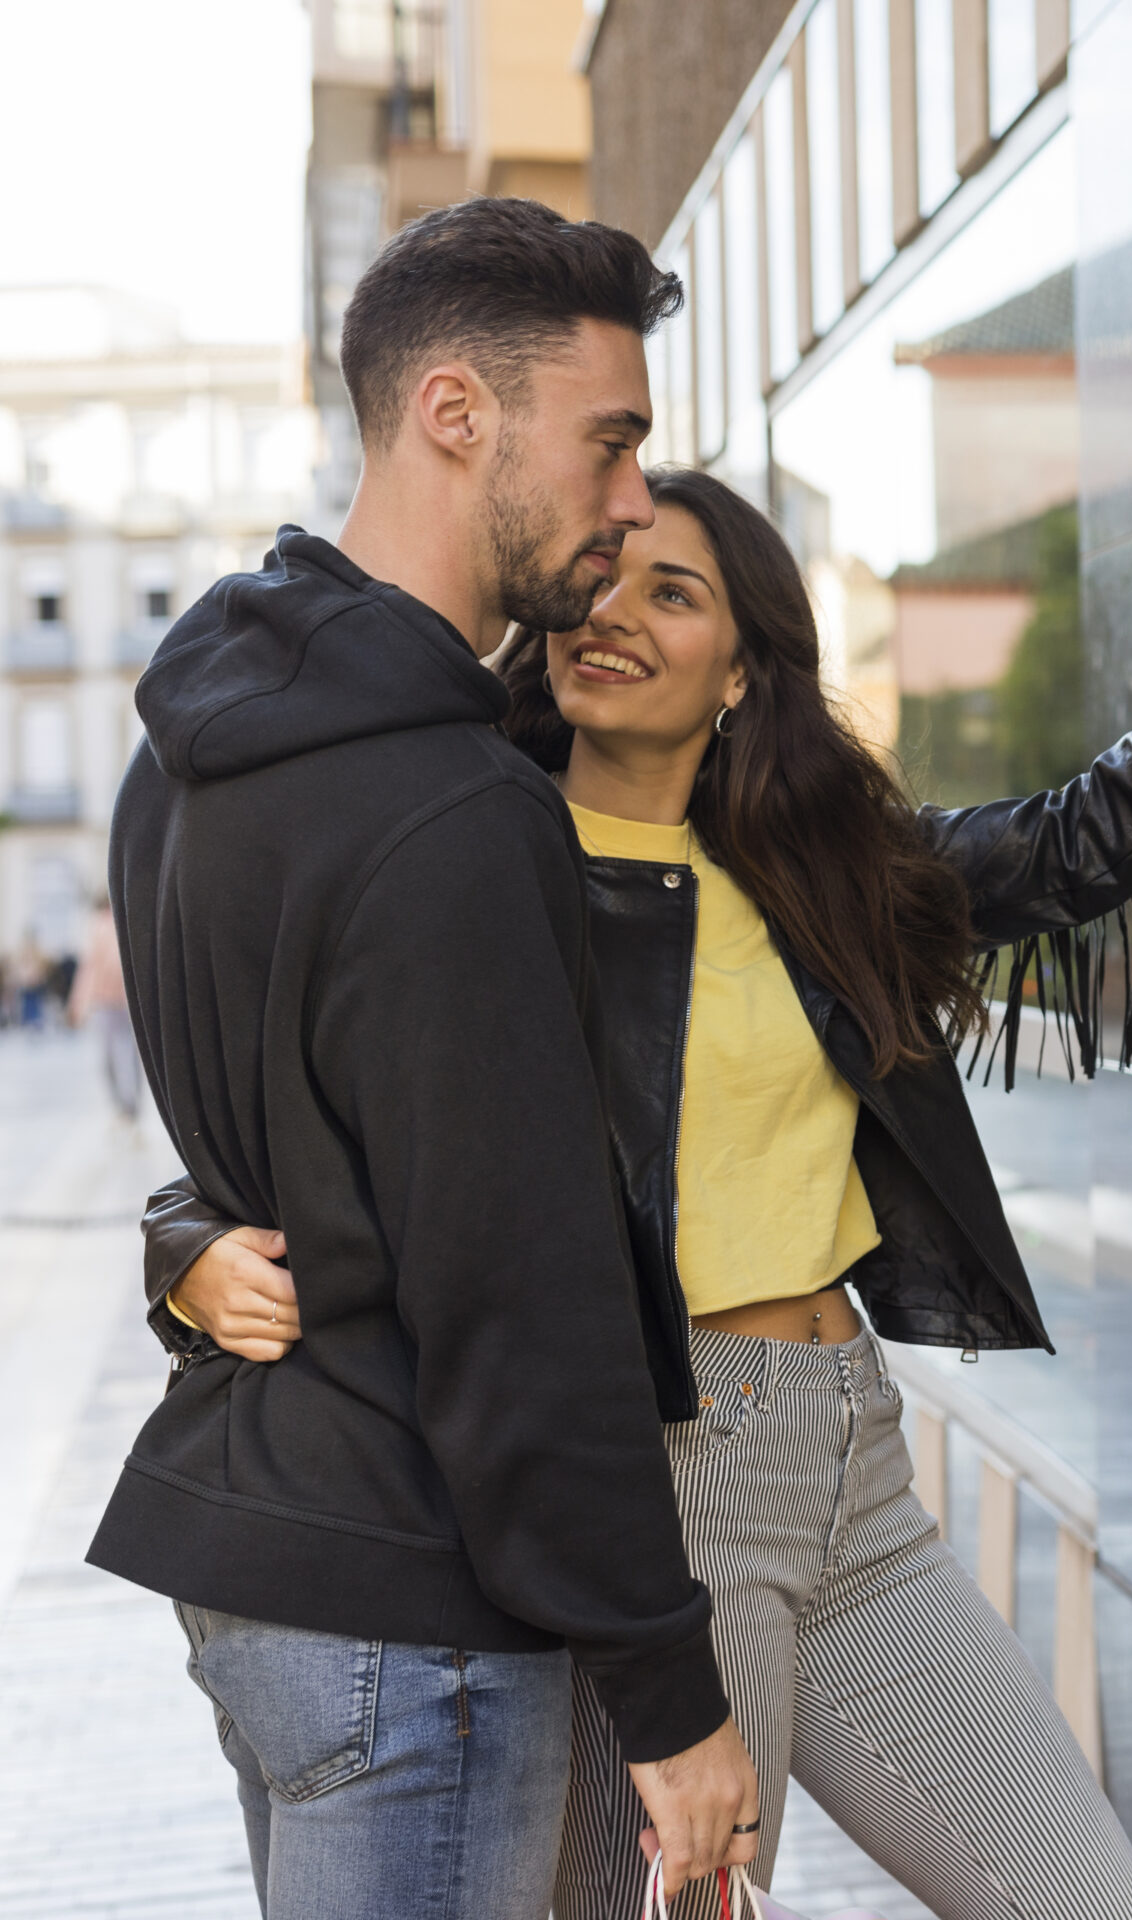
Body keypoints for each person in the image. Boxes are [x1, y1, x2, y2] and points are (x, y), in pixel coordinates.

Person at [159, 462, 1132, 1917]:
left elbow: (1080, 840)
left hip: (856, 1471)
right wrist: (188, 1238)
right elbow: (320, 1103)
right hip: (666, 1470)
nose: (616, 613)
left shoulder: (813, 869)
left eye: (677, 591)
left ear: (743, 665)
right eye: (602, 579)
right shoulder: (482, 856)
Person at [90, 199, 758, 1920]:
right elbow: (522, 1297)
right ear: (456, 413)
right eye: (610, 443)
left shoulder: (187, 754)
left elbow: (279, 1148)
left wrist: (182, 1249)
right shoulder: (458, 813)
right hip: (415, 1618)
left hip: (262, 1570)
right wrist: (675, 1709)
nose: (630, 498)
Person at [65, 897, 140, 1121]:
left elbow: (90, 969)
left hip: (117, 1002)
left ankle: (128, 1103)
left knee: (121, 1056)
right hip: (115, 1001)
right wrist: (78, 1004)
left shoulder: (111, 926)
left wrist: (78, 1005)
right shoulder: (109, 926)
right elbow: (91, 969)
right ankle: (126, 1104)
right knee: (119, 1055)